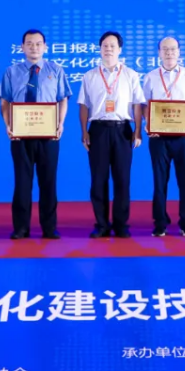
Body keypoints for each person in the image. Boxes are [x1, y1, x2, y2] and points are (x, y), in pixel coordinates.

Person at [0, 29, 72, 240]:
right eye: (29, 43)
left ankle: (49, 227)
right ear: (22, 47)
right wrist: (8, 125)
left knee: (48, 182)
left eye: (38, 43)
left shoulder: (55, 70)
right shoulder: (12, 72)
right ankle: (21, 228)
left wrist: (60, 124)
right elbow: (5, 101)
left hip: (48, 135)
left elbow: (63, 99)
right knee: (22, 182)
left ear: (45, 47)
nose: (34, 47)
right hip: (20, 135)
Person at [78, 31, 145, 238]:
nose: (108, 49)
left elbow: (137, 105)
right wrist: (84, 132)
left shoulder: (131, 75)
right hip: (98, 130)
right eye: (105, 46)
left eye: (112, 46)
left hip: (122, 130)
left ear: (120, 49)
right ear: (100, 49)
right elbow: (83, 105)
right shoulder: (90, 76)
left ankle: (121, 224)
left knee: (122, 179)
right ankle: (101, 224)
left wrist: (137, 131)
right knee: (98, 180)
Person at [142, 37, 185, 237]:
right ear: (159, 53)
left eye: (173, 49)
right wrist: (148, 123)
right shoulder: (150, 77)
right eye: (165, 49)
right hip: (158, 136)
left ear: (179, 52)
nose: (169, 53)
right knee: (159, 181)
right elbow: (145, 105)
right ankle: (160, 223)